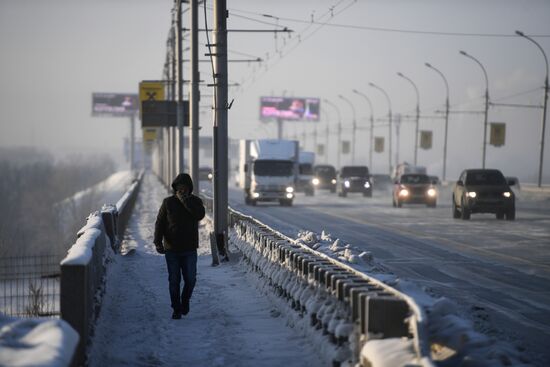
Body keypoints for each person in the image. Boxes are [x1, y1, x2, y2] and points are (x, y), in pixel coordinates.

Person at [154, 173, 205, 319]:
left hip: (189, 249)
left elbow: (199, 215)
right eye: (179, 188)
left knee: (191, 279)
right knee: (174, 280)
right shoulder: (168, 202)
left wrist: (186, 202)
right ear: (175, 188)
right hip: (172, 249)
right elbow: (160, 223)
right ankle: (176, 308)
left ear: (190, 189)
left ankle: (185, 300)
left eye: (185, 188)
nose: (182, 191)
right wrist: (158, 242)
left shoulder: (195, 201)